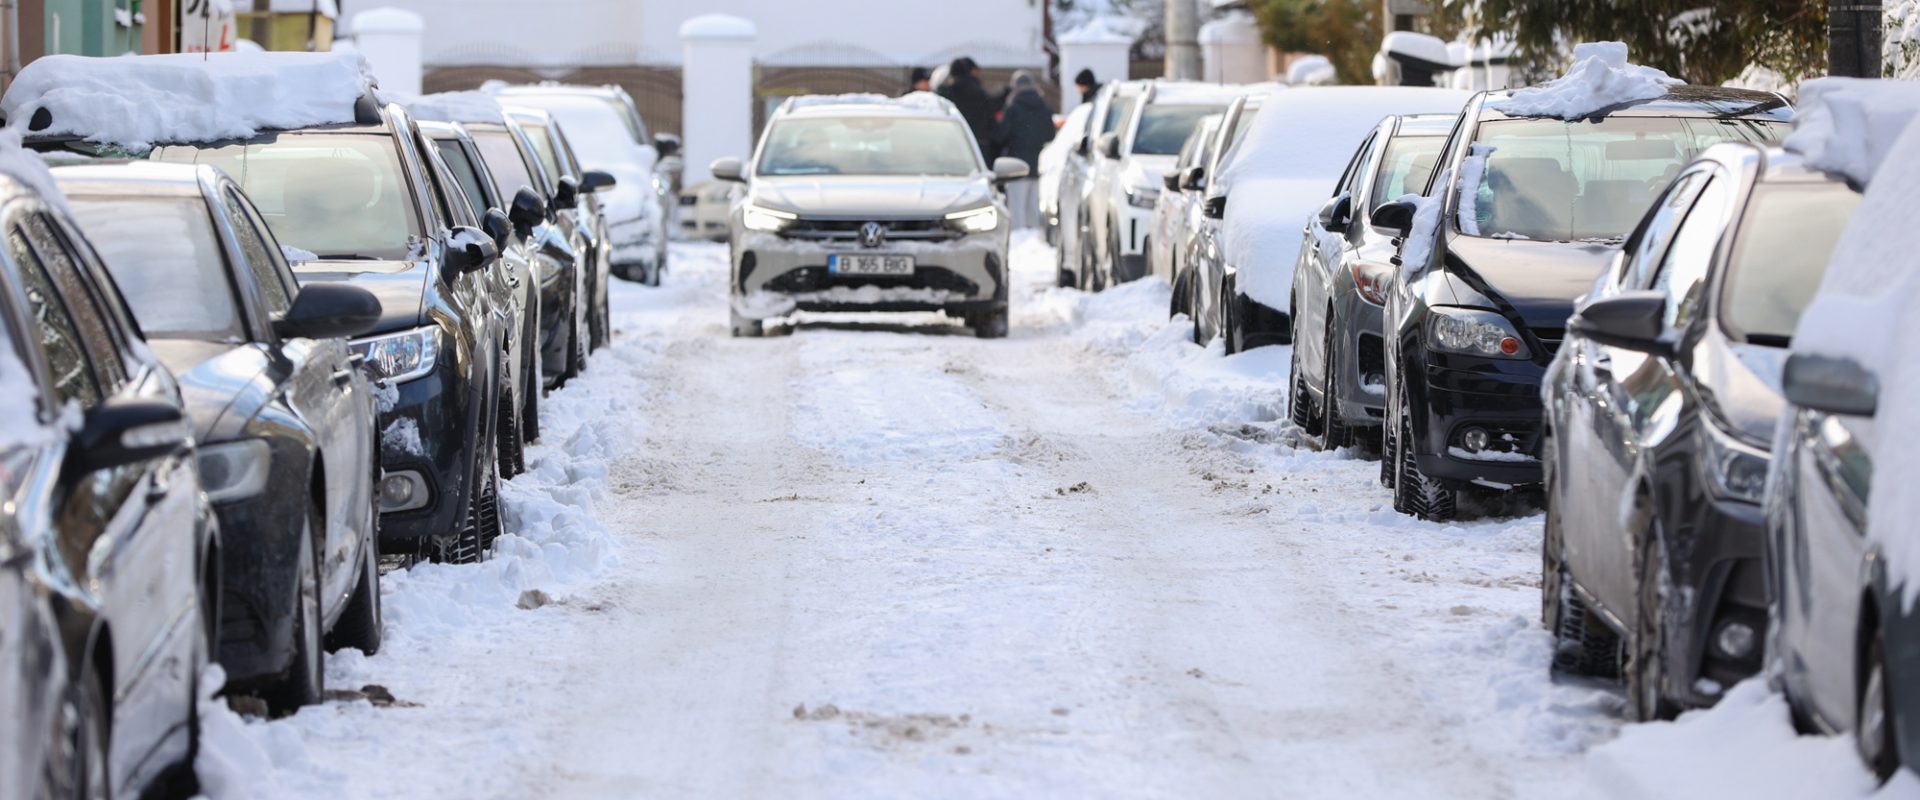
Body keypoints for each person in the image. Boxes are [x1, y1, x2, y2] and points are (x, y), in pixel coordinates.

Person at [990, 71, 1052, 230]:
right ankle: (1036, 238)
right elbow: (1050, 134)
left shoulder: (1013, 108)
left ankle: (1020, 239)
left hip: (1016, 164)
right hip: (1038, 164)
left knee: (1017, 208)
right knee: (1034, 207)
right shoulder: (1044, 107)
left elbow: (1001, 135)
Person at [938, 56, 998, 159]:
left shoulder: (945, 94)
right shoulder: (981, 94)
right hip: (978, 146)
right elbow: (992, 123)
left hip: (952, 145)